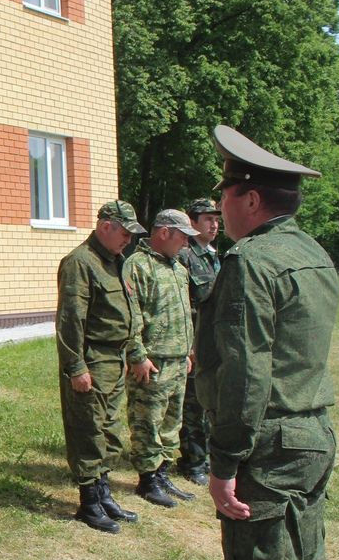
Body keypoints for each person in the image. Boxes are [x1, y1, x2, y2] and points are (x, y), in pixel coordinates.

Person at [196, 125, 339, 560]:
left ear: (251, 199)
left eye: (226, 191)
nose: (219, 204)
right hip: (311, 435)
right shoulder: (311, 253)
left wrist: (224, 461)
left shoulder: (252, 262)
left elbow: (246, 372)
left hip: (270, 444)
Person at [55, 200, 147, 534]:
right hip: (92, 361)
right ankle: (89, 502)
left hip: (114, 360)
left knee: (108, 430)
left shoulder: (116, 261)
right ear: (105, 226)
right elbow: (70, 321)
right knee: (87, 431)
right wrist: (76, 367)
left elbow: (129, 312)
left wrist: (133, 353)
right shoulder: (81, 263)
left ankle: (103, 493)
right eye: (124, 233)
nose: (128, 240)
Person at [123, 208, 199, 509]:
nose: (186, 244)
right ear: (164, 232)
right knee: (147, 423)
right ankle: (147, 480)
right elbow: (131, 316)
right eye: (182, 237)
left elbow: (184, 314)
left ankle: (163, 474)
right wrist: (138, 355)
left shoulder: (178, 268)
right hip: (152, 362)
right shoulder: (137, 265)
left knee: (171, 422)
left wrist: (188, 351)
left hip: (178, 360)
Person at [175, 198, 223, 485]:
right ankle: (191, 463)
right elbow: (183, 306)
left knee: (210, 403)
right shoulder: (184, 256)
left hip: (213, 341)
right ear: (192, 223)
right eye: (207, 219)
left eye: (216, 219)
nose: (214, 224)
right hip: (193, 341)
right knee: (192, 405)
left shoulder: (214, 255)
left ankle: (205, 457)